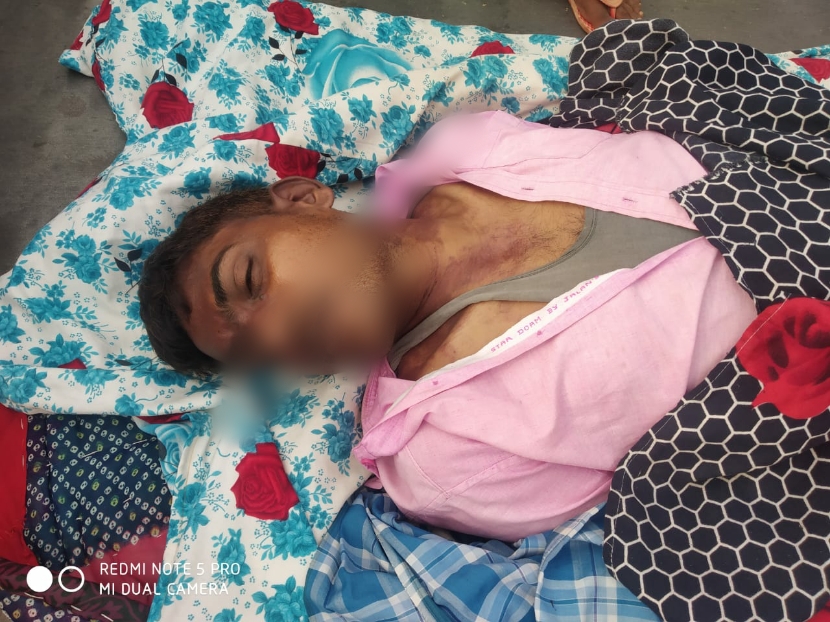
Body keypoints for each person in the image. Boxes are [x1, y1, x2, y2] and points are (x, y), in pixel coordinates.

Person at [139, 111, 757, 541]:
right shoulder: (449, 457)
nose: (278, 338)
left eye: (249, 277)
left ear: (303, 199)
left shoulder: (470, 147)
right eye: (257, 353)